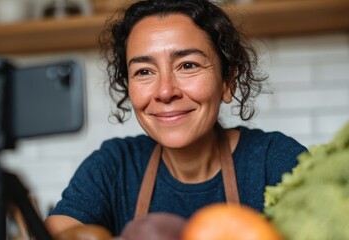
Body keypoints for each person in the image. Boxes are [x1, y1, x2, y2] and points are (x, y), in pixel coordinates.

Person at [45, 0, 307, 237]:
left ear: (227, 82)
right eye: (144, 71)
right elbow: (61, 231)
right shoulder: (114, 166)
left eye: (188, 65)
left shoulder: (275, 161)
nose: (165, 92)